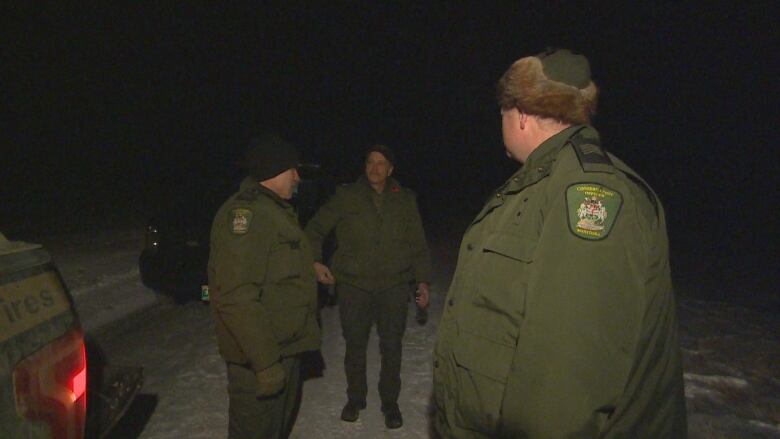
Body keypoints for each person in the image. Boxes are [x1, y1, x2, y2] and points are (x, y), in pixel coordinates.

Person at [433, 49, 687, 438]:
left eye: (501, 111)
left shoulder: (590, 193)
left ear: (518, 112)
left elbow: (565, 379)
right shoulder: (539, 184)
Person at [304, 144, 431, 429]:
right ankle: (355, 398)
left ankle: (390, 402)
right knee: (355, 346)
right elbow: (315, 228)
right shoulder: (346, 196)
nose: (374, 168)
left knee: (392, 347)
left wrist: (422, 280)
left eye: (381, 163)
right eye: (370, 162)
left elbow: (418, 245)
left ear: (390, 169)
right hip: (354, 286)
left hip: (394, 286)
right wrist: (315, 261)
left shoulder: (405, 199)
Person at [207, 134, 321, 439]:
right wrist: (266, 363)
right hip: (260, 358)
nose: (298, 177)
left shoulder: (275, 210)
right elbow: (236, 295)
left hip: (284, 350)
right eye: (292, 170)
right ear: (273, 170)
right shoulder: (247, 215)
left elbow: (273, 265)